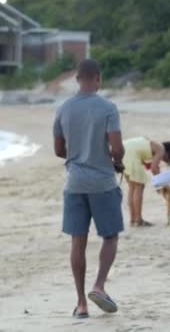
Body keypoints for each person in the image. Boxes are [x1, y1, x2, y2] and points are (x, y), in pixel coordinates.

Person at [53, 59, 125, 318]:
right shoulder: (108, 108)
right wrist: (116, 162)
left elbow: (59, 150)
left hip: (74, 184)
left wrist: (80, 156)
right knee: (110, 235)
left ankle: (81, 303)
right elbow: (116, 148)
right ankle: (100, 285)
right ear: (97, 78)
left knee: (78, 242)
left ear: (77, 79)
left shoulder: (63, 109)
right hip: (103, 182)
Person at [122, 136, 170, 226]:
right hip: (131, 155)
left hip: (123, 152)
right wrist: (162, 185)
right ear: (168, 153)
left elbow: (149, 165)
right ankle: (138, 220)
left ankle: (133, 219)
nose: (166, 161)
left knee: (133, 187)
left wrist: (159, 183)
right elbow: (154, 169)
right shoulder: (161, 149)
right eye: (169, 160)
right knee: (139, 186)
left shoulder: (153, 145)